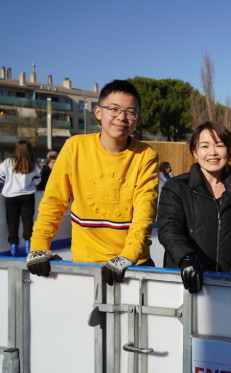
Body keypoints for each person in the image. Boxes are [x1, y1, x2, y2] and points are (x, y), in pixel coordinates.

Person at [26, 80, 159, 285]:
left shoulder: (145, 156)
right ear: (98, 112)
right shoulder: (75, 148)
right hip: (86, 265)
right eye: (113, 109)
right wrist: (38, 246)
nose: (121, 117)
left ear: (137, 119)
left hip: (132, 265)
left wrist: (128, 255)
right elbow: (53, 202)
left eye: (130, 112)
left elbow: (145, 212)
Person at [158, 121, 231, 293]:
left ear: (228, 150)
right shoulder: (177, 187)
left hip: (229, 286)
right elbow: (169, 229)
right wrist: (185, 258)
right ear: (195, 152)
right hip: (186, 282)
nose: (212, 152)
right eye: (205, 146)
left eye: (219, 145)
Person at [0, 140, 42, 257]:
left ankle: (14, 249)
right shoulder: (33, 163)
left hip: (10, 196)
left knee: (12, 223)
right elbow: (37, 180)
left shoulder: (8, 162)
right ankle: (28, 247)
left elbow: (2, 177)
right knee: (27, 221)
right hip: (27, 195)